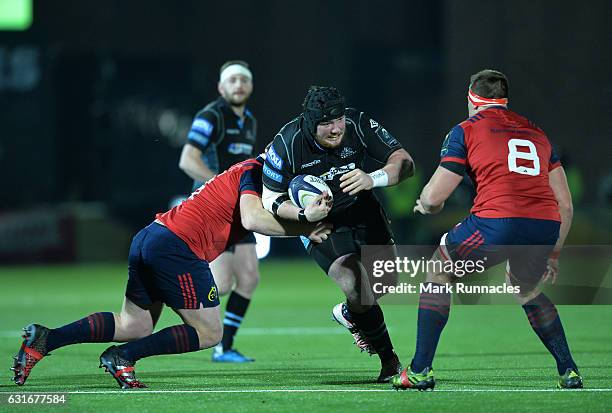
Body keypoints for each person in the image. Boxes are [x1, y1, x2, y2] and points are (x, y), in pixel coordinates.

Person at [12, 156, 331, 389]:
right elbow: (252, 220)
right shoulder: (253, 170)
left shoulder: (255, 173)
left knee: (134, 324)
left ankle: (46, 339)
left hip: (151, 235)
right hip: (178, 248)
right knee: (210, 332)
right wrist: (304, 224)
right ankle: (123, 357)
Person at [391, 69, 582, 391]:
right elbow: (565, 205)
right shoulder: (537, 133)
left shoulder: (465, 130)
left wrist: (425, 205)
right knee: (526, 288)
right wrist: (554, 252)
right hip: (544, 225)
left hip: (498, 221)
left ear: (471, 98)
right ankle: (569, 370)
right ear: (504, 100)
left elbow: (436, 196)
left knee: (438, 271)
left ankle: (420, 370)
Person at [261, 86, 415, 382]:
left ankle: (349, 312)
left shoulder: (357, 124)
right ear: (309, 122)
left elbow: (404, 162)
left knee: (385, 282)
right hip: (323, 225)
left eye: (339, 119)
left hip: (363, 209)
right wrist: (304, 217)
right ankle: (389, 361)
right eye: (326, 123)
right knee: (357, 283)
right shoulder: (286, 143)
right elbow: (270, 198)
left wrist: (373, 177)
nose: (336, 129)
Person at [179, 60, 260, 362]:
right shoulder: (211, 116)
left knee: (249, 278)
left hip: (238, 209)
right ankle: (171, 292)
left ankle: (224, 346)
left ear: (250, 86)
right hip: (212, 209)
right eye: (232, 80)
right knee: (222, 284)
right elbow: (187, 160)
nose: (239, 84)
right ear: (221, 87)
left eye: (244, 79)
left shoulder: (249, 120)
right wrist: (219, 184)